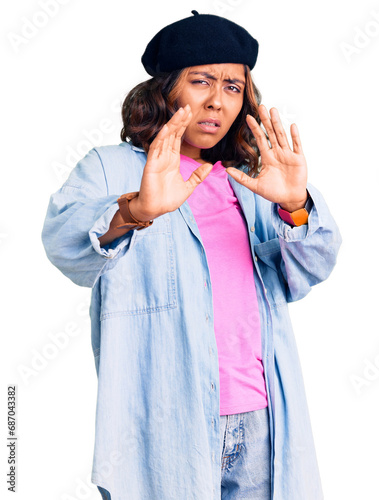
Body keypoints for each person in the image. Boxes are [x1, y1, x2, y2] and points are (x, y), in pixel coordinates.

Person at [41, 10, 342, 500]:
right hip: (163, 425)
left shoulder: (253, 179)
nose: (215, 101)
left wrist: (294, 206)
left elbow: (307, 272)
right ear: (165, 91)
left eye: (232, 86)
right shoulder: (112, 169)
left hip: (262, 420)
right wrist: (134, 210)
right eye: (200, 81)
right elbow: (64, 246)